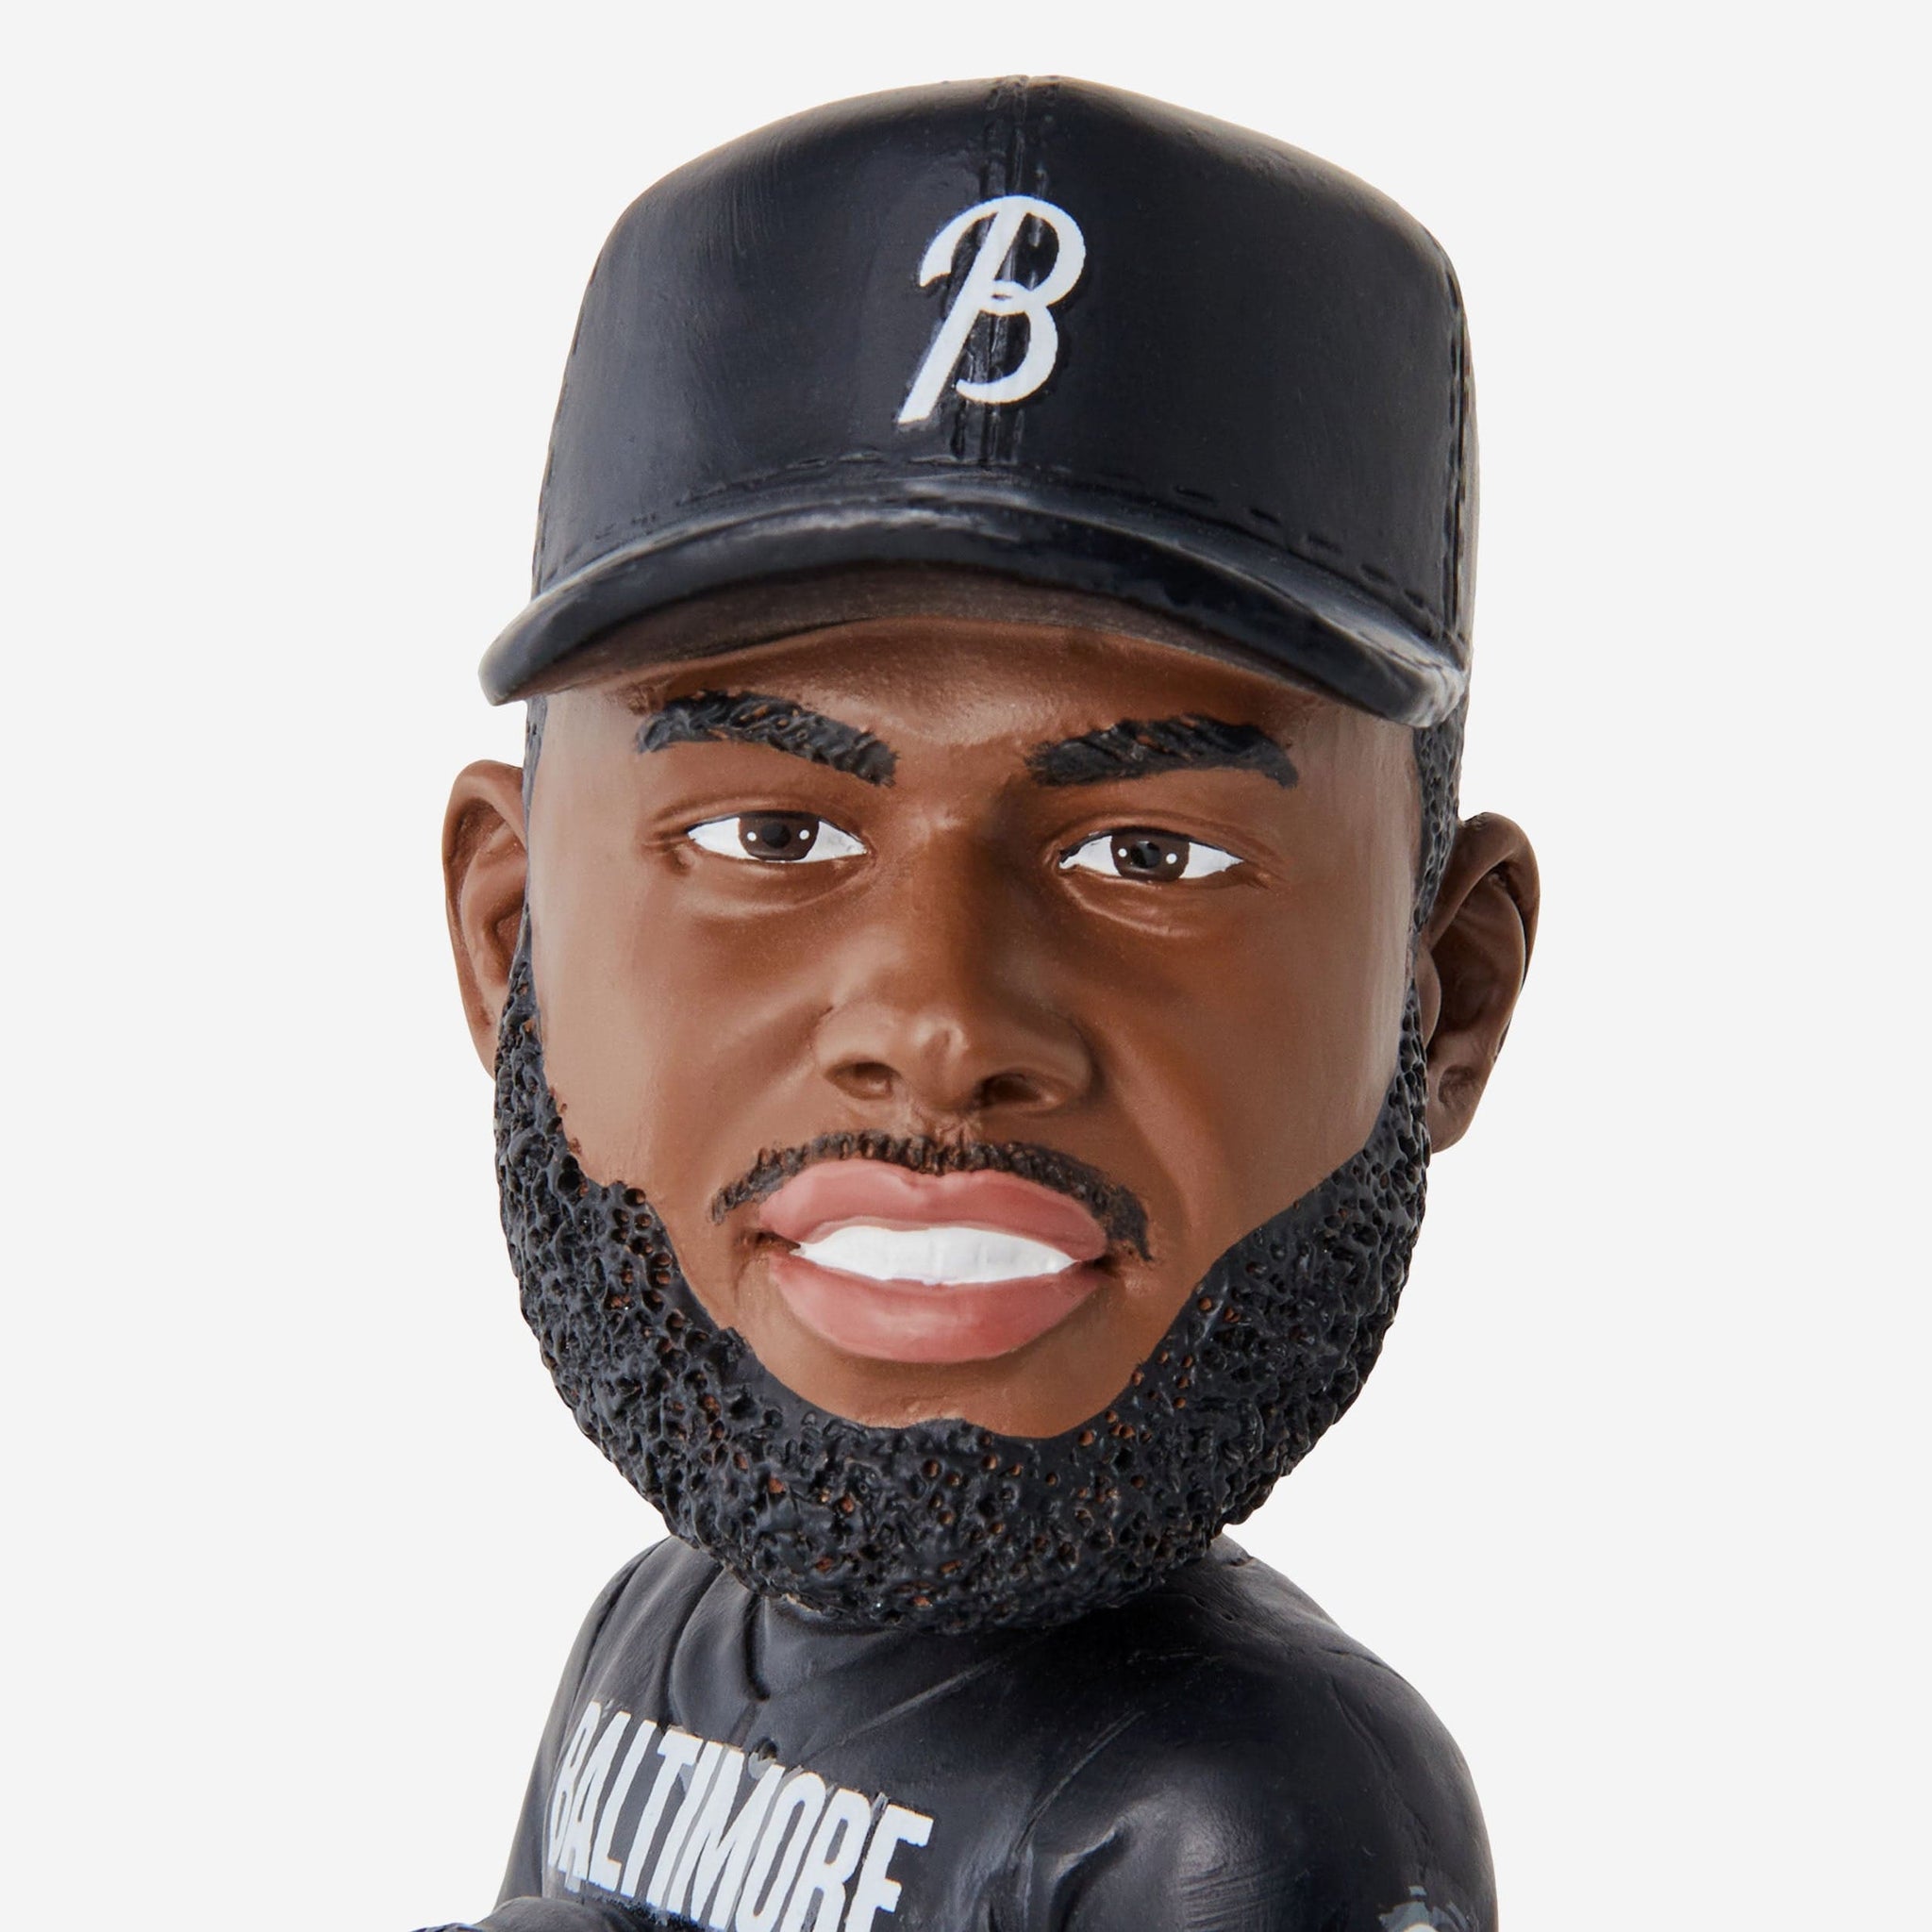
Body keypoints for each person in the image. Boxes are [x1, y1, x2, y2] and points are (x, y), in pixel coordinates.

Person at [431, 75, 1539, 1932]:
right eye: (772, 832)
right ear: (507, 934)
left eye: (1150, 856)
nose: (939, 1025)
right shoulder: (655, 1632)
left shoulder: (1238, 1815)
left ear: (1450, 997)